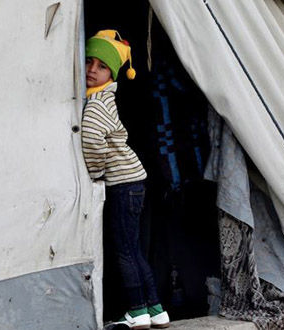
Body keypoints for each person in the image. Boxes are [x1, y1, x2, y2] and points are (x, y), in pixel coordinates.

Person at [82, 30, 170, 329]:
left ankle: (136, 312)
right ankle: (155, 309)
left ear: (113, 72)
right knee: (134, 249)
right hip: (135, 181)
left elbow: (93, 140)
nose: (92, 70)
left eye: (101, 66)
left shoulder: (95, 105)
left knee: (123, 250)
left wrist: (94, 174)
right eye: (88, 61)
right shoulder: (105, 97)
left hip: (122, 184)